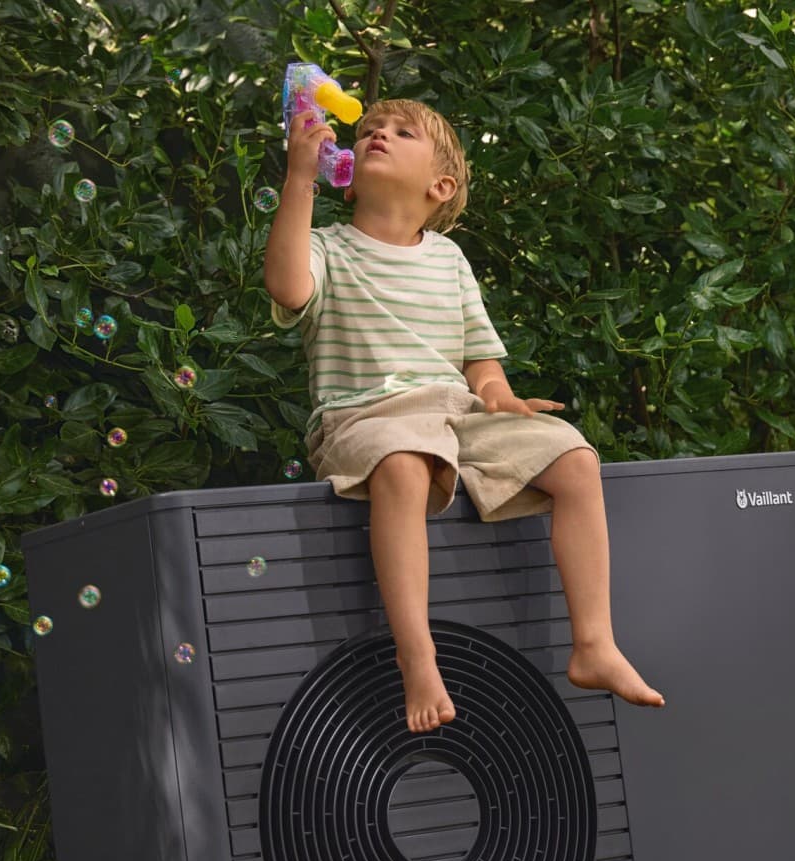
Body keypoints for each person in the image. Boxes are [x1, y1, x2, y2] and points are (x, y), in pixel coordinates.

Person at [263, 97, 665, 734]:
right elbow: (287, 288)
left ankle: (593, 644)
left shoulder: (448, 260)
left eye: (399, 132)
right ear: (344, 170)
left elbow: (480, 362)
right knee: (403, 463)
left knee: (575, 458)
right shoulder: (325, 247)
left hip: (455, 414)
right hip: (364, 415)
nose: (377, 134)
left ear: (440, 186)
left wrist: (500, 397)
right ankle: (416, 655)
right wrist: (298, 177)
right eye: (370, 130)